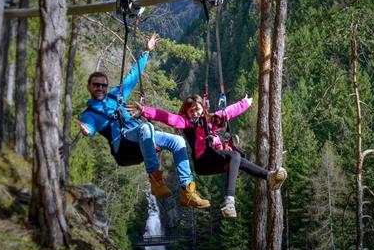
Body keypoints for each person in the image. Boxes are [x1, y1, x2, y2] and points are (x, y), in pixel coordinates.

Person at [77, 34, 209, 209]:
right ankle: (155, 180)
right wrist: (86, 130)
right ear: (89, 87)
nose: (100, 88)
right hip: (124, 147)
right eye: (96, 85)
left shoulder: (116, 95)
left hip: (141, 139)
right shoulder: (90, 113)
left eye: (103, 85)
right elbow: (88, 127)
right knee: (145, 127)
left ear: (107, 87)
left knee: (177, 141)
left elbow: (132, 76)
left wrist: (146, 51)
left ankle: (187, 192)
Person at [128, 94, 287, 218]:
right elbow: (168, 117)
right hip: (203, 161)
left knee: (238, 159)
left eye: (197, 109)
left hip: (214, 158)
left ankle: (269, 177)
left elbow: (228, 112)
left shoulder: (211, 120)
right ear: (187, 113)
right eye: (191, 111)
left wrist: (245, 103)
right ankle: (229, 201)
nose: (195, 113)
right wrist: (145, 110)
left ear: (202, 108)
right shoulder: (187, 123)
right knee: (235, 157)